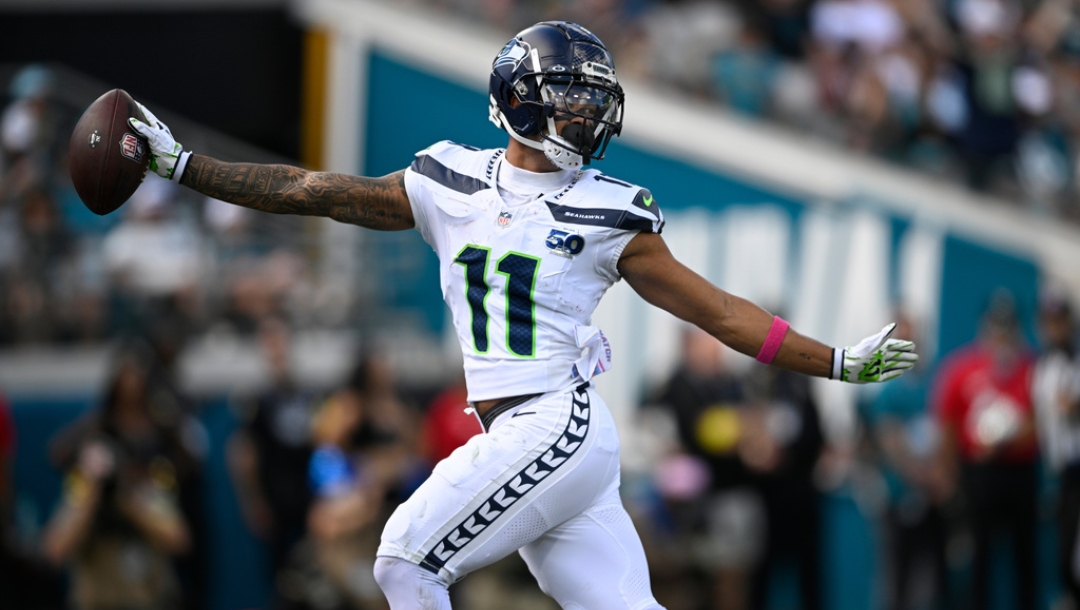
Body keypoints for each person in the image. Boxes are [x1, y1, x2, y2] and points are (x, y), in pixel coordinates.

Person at [129, 21, 917, 609]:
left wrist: (840, 361)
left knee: (404, 559)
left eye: (592, 101)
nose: (586, 116)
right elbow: (315, 191)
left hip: (555, 423)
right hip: (531, 433)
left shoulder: (611, 215)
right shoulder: (448, 181)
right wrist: (188, 167)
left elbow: (721, 313)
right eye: (571, 98)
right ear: (519, 99)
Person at [41, 348, 194, 610]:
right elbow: (53, 551)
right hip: (98, 597)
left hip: (148, 596)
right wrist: (92, 498)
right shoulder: (86, 483)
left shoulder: (147, 479)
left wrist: (131, 502)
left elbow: (179, 539)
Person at [932, 290, 1039, 610]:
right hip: (977, 473)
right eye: (995, 325)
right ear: (984, 325)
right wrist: (949, 473)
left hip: (1019, 471)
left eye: (1007, 326)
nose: (1001, 334)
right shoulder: (961, 367)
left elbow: (1040, 421)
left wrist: (1008, 438)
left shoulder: (1031, 369)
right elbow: (947, 424)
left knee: (1024, 558)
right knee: (977, 558)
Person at [1032, 287, 1080, 608]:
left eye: (1060, 321)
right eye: (1050, 321)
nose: (1055, 328)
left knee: (1073, 561)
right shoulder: (1041, 368)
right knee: (1061, 558)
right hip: (1056, 473)